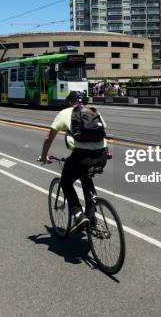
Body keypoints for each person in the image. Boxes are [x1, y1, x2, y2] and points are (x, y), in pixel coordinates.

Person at [38, 91, 108, 232]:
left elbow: (48, 138)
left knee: (66, 182)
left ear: (70, 102)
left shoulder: (64, 113)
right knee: (85, 177)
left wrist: (44, 156)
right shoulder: (93, 111)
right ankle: (92, 216)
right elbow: (101, 133)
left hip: (81, 156)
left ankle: (78, 214)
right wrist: (107, 152)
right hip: (102, 155)